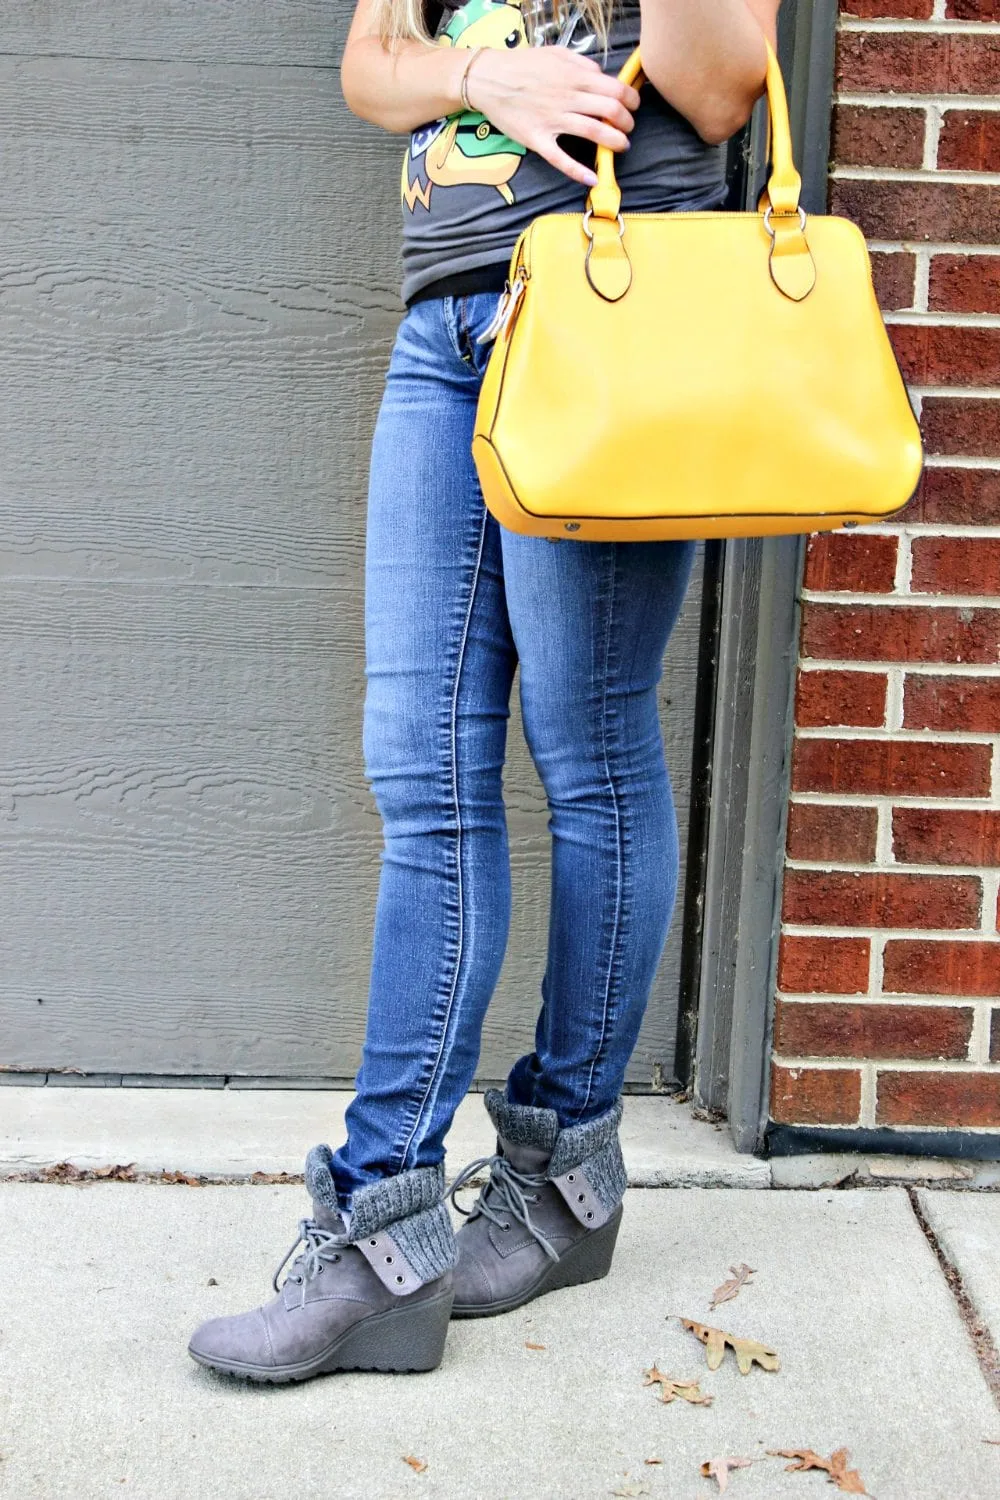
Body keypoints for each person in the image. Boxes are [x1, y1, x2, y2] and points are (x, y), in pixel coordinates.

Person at [188, 0, 779, 1383]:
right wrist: (481, 74)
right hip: (445, 324)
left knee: (588, 750)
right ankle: (387, 1234)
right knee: (421, 767)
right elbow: (371, 65)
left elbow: (723, 81)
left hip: (611, 305)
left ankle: (565, 1173)